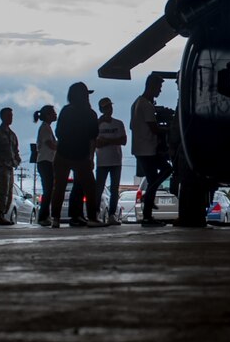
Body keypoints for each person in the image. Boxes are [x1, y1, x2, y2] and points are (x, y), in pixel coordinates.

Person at [55, 82, 101, 227]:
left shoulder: (65, 111)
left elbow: (58, 133)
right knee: (90, 187)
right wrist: (91, 157)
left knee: (59, 188)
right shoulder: (91, 114)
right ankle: (93, 218)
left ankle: (55, 219)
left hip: (62, 153)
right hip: (81, 156)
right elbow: (93, 139)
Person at [130, 74, 169, 225]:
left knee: (153, 179)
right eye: (159, 88)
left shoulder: (136, 103)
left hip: (140, 148)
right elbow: (153, 128)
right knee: (167, 169)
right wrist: (167, 130)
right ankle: (147, 197)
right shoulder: (146, 105)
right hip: (148, 148)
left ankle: (147, 216)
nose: (159, 91)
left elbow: (132, 126)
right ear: (152, 86)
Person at [94, 97, 128, 225]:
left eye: (110, 107)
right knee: (99, 188)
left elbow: (123, 140)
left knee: (114, 189)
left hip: (115, 160)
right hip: (102, 161)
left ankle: (112, 214)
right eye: (106, 107)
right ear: (101, 109)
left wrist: (106, 141)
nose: (109, 109)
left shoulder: (118, 123)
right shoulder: (97, 125)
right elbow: (95, 141)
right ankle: (96, 212)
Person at [0, 107, 21, 225]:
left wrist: (17, 160)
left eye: (11, 116)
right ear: (2, 117)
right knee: (1, 191)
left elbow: (15, 151)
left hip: (10, 167)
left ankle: (3, 214)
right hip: (1, 168)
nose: (10, 118)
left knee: (8, 192)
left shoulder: (12, 135)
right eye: (8, 115)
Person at [34, 104, 60, 227]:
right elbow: (50, 144)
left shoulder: (47, 128)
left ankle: (45, 215)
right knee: (48, 190)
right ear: (48, 115)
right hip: (45, 162)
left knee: (49, 190)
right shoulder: (45, 128)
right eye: (53, 113)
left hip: (47, 161)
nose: (55, 115)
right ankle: (43, 216)